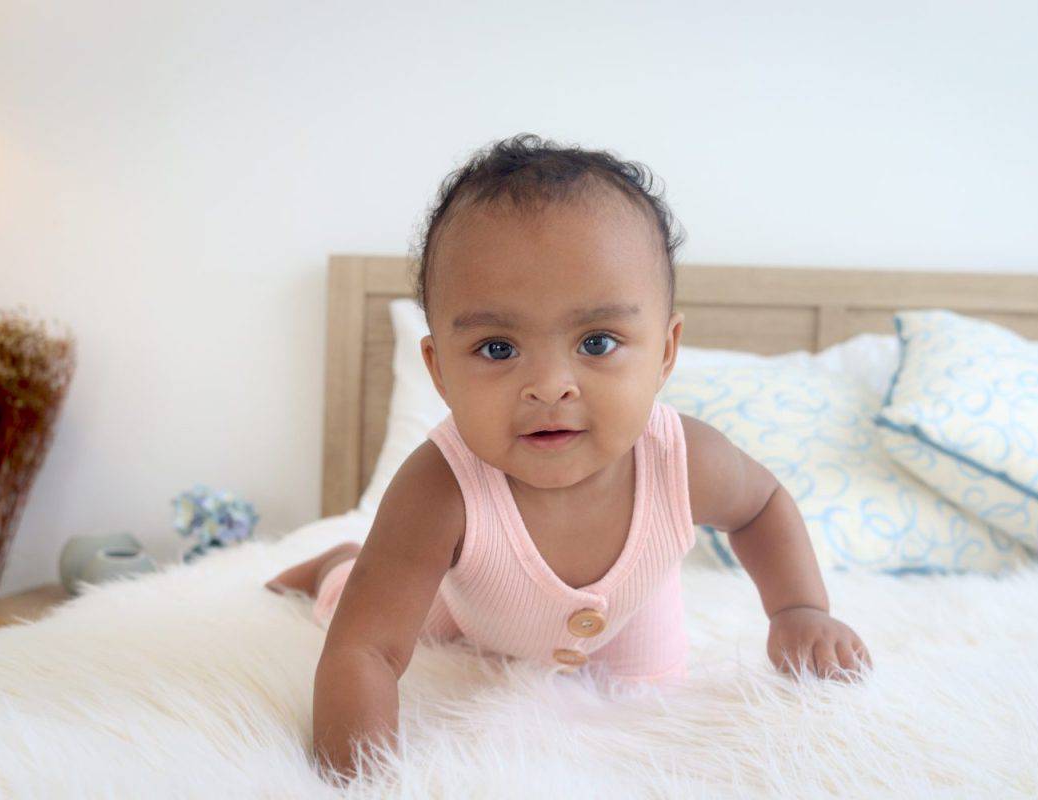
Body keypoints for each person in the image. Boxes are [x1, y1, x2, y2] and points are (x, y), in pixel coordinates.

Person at [265, 133, 873, 782]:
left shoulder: (684, 458)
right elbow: (365, 650)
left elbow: (762, 506)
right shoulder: (439, 490)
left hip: (633, 610)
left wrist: (798, 609)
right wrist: (358, 780)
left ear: (666, 353)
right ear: (440, 371)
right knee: (373, 607)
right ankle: (337, 563)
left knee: (650, 718)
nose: (551, 384)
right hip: (473, 606)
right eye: (498, 348)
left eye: (598, 341)